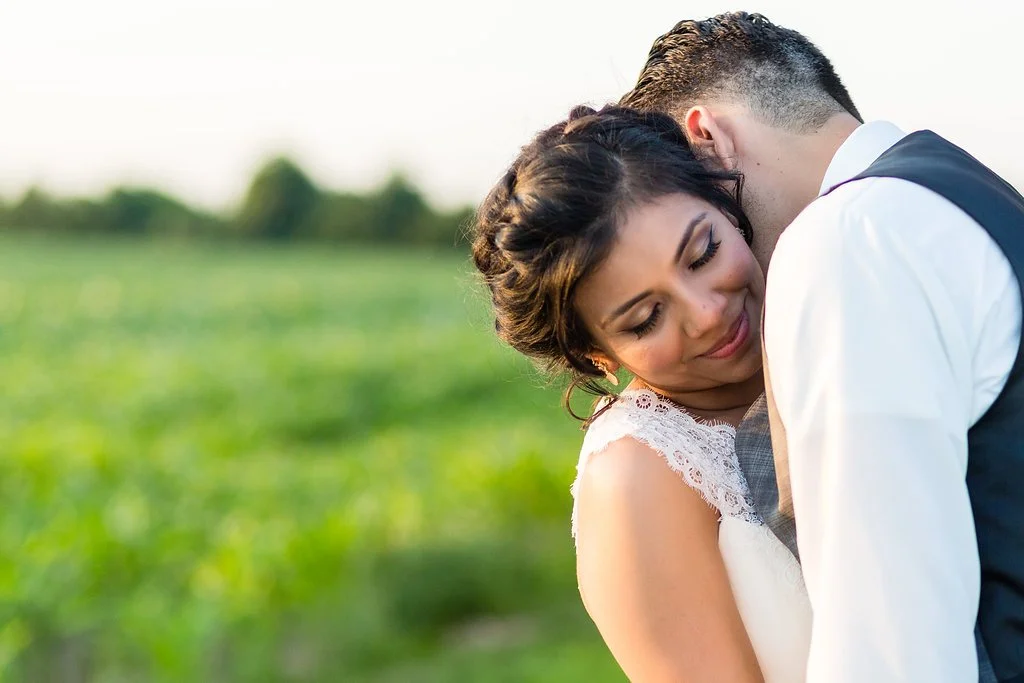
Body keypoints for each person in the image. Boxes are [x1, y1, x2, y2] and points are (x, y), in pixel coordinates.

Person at [619, 11, 1024, 683]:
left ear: (707, 139)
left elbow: (894, 651)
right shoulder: (963, 194)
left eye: (691, 201)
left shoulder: (845, 242)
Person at [472, 104, 810, 682]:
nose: (706, 312)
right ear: (597, 355)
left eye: (702, 253)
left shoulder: (820, 326)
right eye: (647, 317)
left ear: (727, 208)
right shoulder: (637, 474)